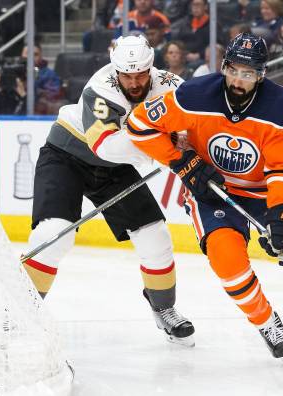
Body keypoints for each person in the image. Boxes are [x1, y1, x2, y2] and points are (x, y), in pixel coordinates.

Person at [93, 33, 283, 361]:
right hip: (211, 193)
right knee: (226, 259)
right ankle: (266, 321)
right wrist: (179, 160)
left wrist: (280, 215)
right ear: (223, 67)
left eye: (248, 73)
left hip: (262, 190)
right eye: (233, 70)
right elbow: (139, 125)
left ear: (261, 75)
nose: (238, 79)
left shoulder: (281, 107)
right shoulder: (193, 95)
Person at [22, 35, 195, 346]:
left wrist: (188, 137)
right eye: (126, 76)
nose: (133, 82)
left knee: (155, 235)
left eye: (140, 74)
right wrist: (170, 149)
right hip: (67, 155)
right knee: (54, 234)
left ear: (151, 67)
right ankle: (23, 311)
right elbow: (106, 146)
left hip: (113, 169)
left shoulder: (171, 84)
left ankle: (164, 309)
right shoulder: (101, 86)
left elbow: (197, 123)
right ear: (116, 71)